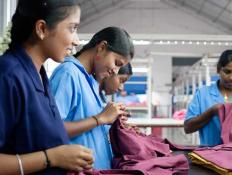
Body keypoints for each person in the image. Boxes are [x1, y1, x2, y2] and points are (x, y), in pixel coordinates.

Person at [0, 0, 95, 174]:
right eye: (72, 28)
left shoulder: (40, 76)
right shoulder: (8, 75)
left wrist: (69, 161)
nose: (76, 40)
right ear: (42, 29)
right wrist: (52, 158)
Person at [49, 27, 134, 169]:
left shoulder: (90, 82)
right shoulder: (68, 74)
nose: (115, 71)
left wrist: (112, 122)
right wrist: (100, 118)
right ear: (101, 47)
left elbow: (89, 127)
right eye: (117, 63)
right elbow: (51, 130)